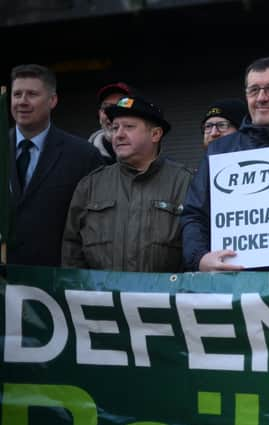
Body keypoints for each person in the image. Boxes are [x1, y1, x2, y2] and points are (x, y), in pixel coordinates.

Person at [181, 56, 269, 271]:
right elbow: (194, 214)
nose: (261, 98)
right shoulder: (220, 150)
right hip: (236, 284)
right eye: (253, 90)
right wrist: (200, 259)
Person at [61, 96, 193, 272]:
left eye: (129, 127)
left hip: (165, 297)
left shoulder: (186, 181)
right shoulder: (90, 185)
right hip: (101, 297)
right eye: (115, 128)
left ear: (155, 134)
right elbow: (72, 251)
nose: (119, 134)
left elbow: (198, 248)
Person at [8, 64, 104, 267]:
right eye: (17, 94)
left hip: (56, 283)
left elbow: (95, 228)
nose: (22, 102)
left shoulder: (83, 156)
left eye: (32, 94)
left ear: (52, 100)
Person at [89, 82, 133, 164]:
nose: (111, 115)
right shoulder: (84, 159)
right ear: (99, 114)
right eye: (106, 108)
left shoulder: (152, 157)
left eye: (120, 107)